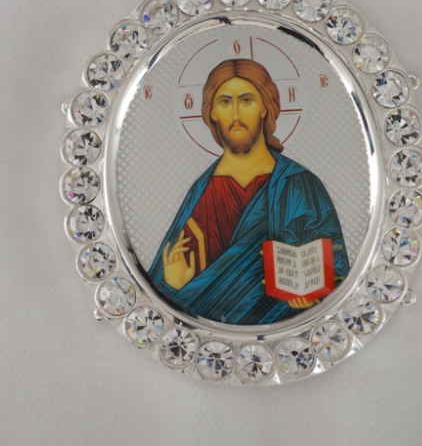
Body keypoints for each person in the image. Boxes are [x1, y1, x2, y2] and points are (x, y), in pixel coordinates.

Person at [148, 58, 349, 326]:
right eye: (225, 102)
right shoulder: (200, 193)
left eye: (246, 101)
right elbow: (160, 293)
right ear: (212, 113)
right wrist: (173, 286)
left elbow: (336, 270)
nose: (236, 114)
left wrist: (314, 295)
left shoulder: (300, 184)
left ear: (265, 108)